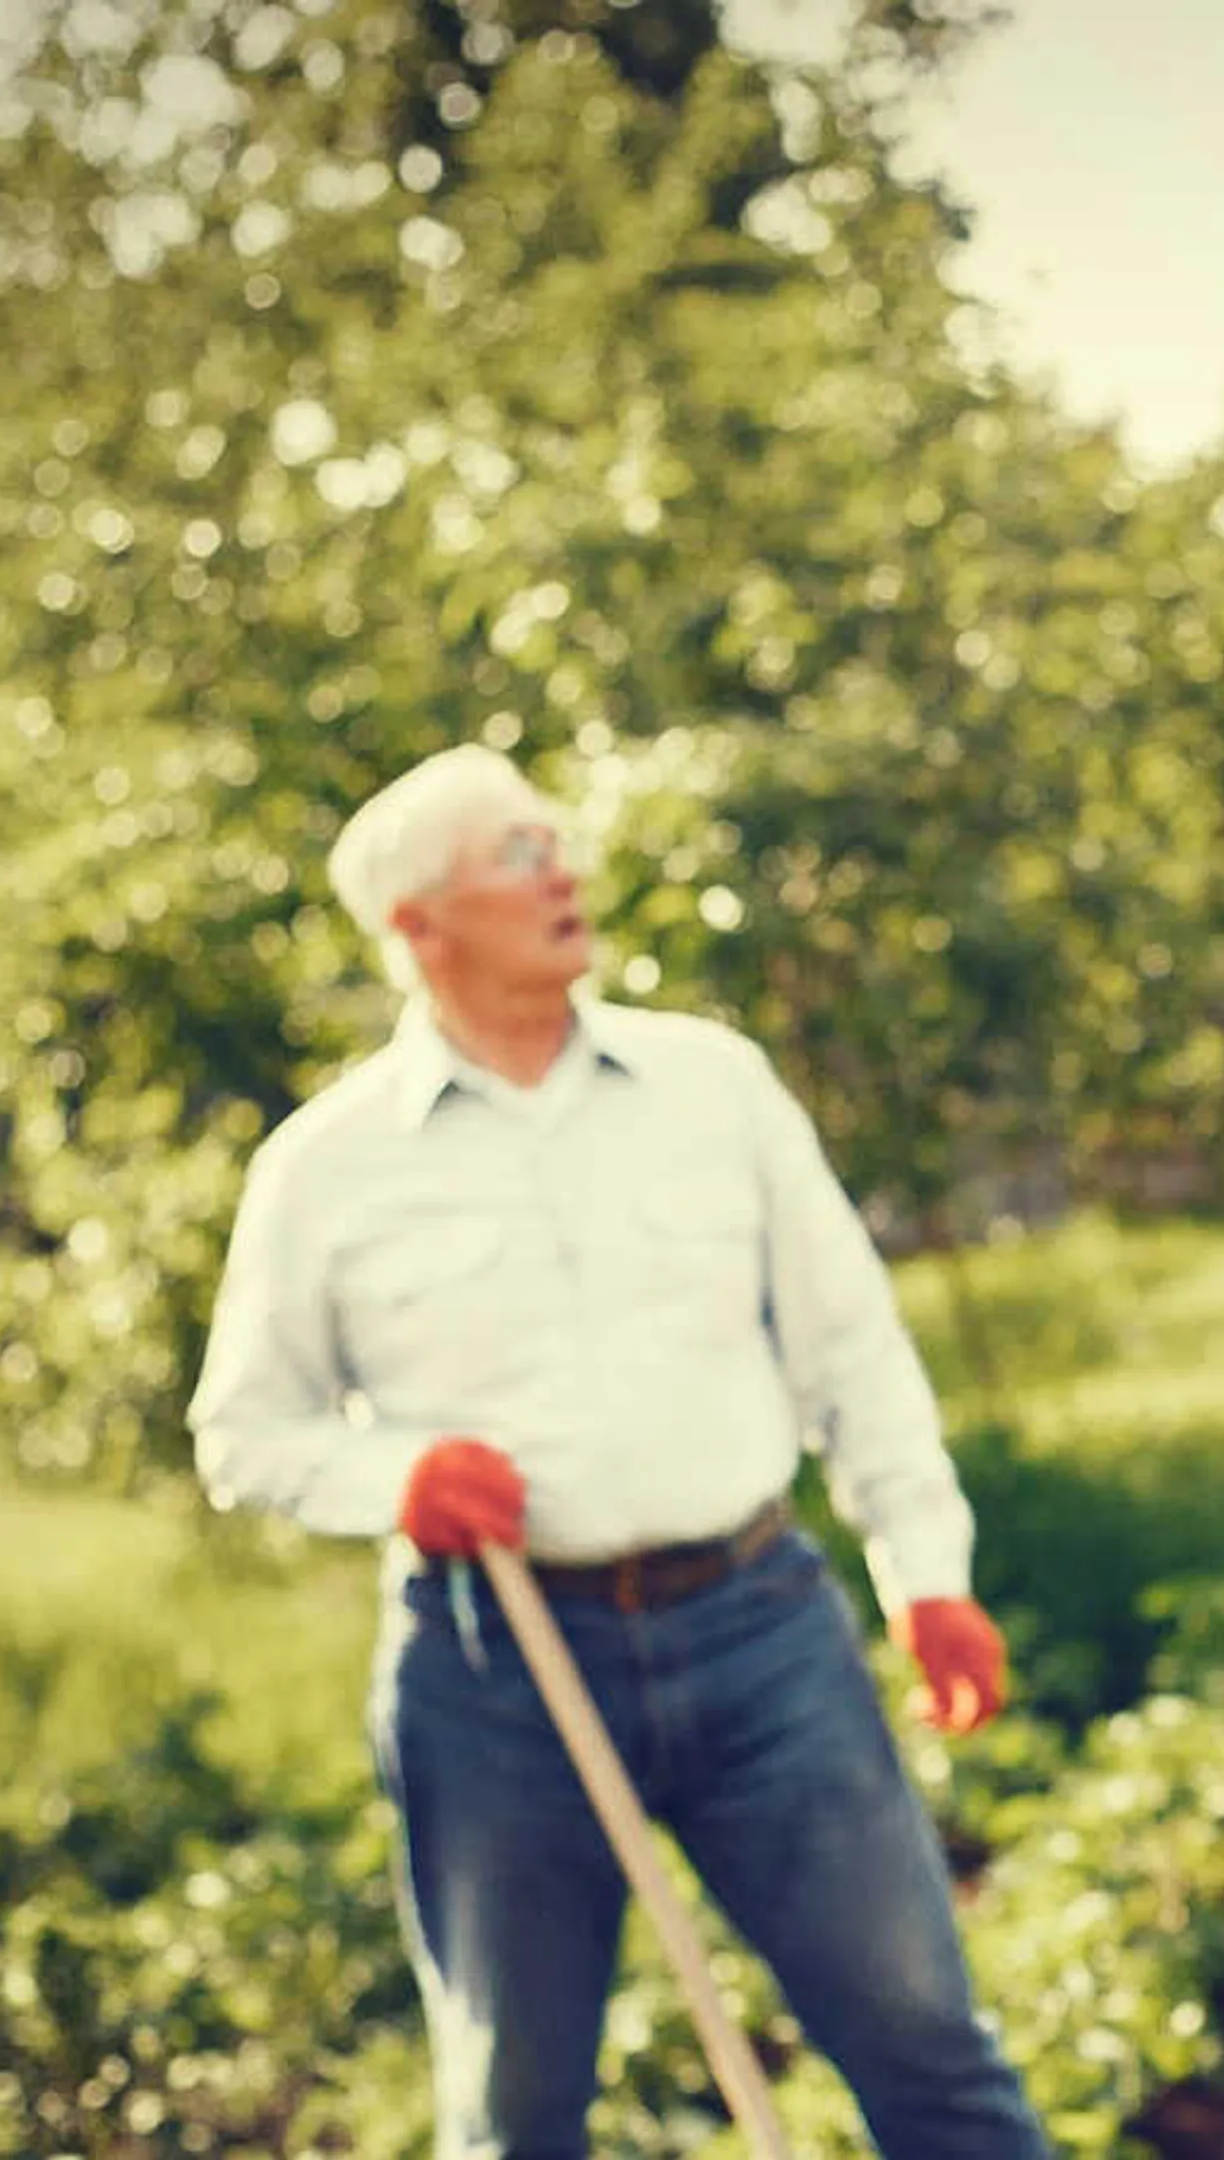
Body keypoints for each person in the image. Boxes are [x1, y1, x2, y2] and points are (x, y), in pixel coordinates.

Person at [189, 744, 1048, 2160]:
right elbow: (244, 1432)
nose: (566, 874)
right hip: (495, 1673)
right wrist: (389, 1481)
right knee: (515, 2118)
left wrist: (926, 1570)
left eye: (557, 843)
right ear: (416, 925)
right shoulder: (323, 1166)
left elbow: (852, 1347)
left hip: (761, 1632)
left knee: (931, 2057)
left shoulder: (717, 1086)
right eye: (517, 857)